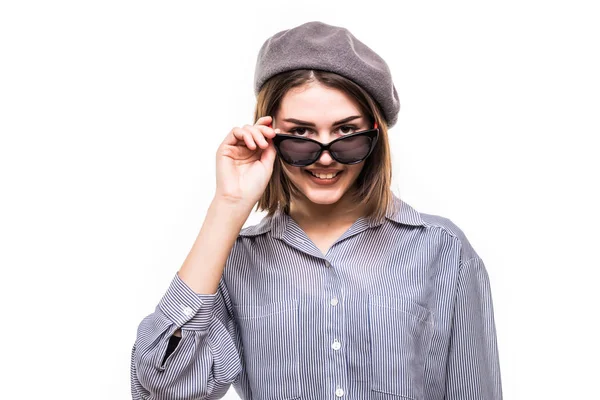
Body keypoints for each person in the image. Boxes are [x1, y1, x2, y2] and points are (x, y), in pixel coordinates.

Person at [130, 21, 502, 400]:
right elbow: (162, 390)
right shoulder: (233, 262)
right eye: (302, 135)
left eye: (346, 132)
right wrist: (227, 207)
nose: (325, 158)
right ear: (270, 133)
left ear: (374, 134)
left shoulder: (444, 251)